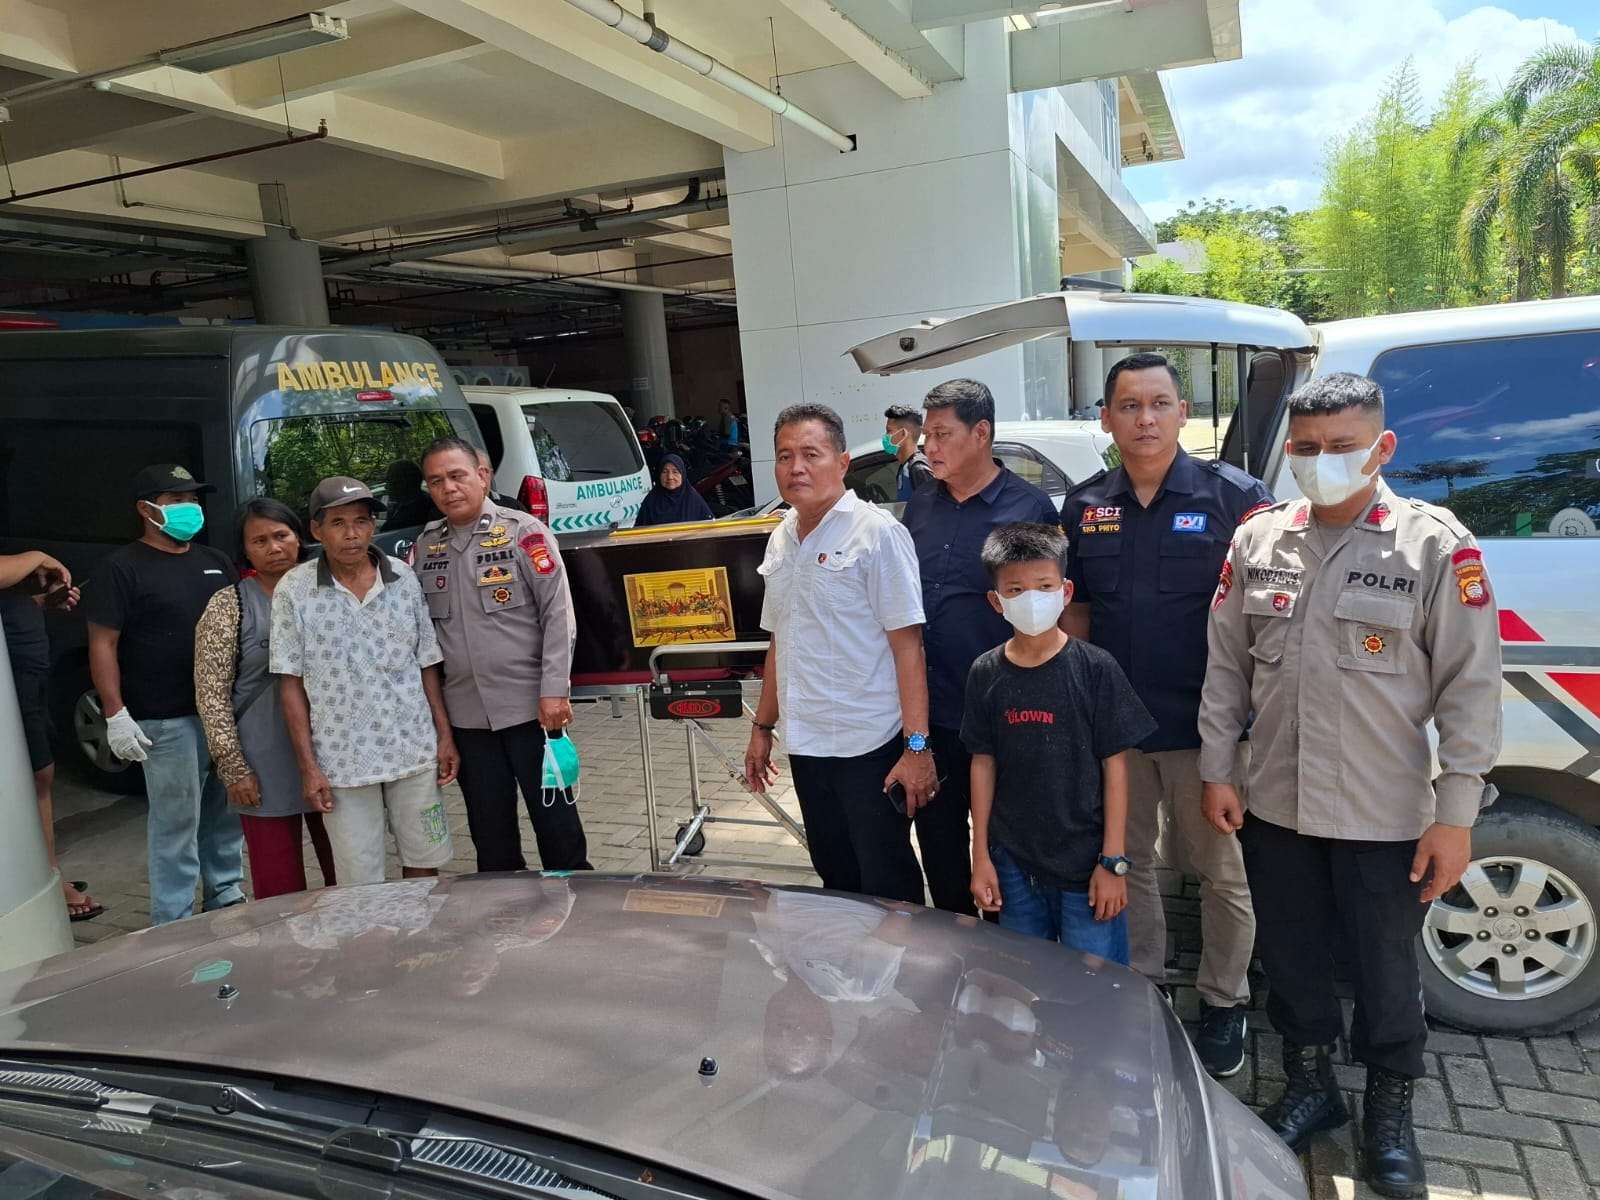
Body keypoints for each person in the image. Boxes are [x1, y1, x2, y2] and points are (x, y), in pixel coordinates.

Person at [1199, 372, 1503, 1197]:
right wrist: (1218, 768)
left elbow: (1471, 688)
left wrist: (1457, 815)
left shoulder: (1435, 545)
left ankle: (1390, 1114)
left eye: (1342, 447)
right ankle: (1312, 1087)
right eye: (1306, 449)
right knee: (1292, 960)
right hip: (1275, 804)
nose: (1322, 461)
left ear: (1382, 447)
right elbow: (1226, 667)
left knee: (1384, 974)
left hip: (1385, 813)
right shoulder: (1259, 540)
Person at [1058, 352, 1271, 1078]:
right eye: (1128, 405)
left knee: (1222, 872)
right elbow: (1078, 610)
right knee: (1127, 861)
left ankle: (1224, 1001)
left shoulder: (1237, 499)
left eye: (1158, 404)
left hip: (1206, 732)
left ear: (1183, 413)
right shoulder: (1085, 505)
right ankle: (1141, 985)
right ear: (1108, 418)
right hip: (1117, 729)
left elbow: (1262, 622)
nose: (1144, 419)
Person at [743, 403, 936, 905]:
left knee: (886, 881)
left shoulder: (877, 535)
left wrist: (917, 750)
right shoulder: (781, 538)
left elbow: (908, 647)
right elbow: (780, 641)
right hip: (807, 745)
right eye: (785, 456)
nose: (796, 467)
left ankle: (903, 978)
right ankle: (847, 978)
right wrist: (762, 729)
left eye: (811, 453)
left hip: (867, 746)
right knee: (834, 875)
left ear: (843, 462)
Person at [902, 379, 1059, 914]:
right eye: (926, 435)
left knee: (1005, 853)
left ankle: (1008, 963)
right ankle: (951, 962)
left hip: (1005, 714)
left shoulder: (1029, 507)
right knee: (942, 848)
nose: (930, 447)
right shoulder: (920, 506)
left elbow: (1049, 618)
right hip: (933, 713)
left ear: (982, 432)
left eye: (942, 434)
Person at [963, 523, 1155, 959]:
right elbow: (982, 763)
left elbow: (1116, 768)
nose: (1031, 598)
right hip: (1013, 863)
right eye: (1015, 589)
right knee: (1026, 976)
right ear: (996, 601)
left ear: (1065, 591)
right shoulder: (985, 673)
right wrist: (982, 857)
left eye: (1044, 586)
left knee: (1094, 981)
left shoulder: (1096, 669)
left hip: (1087, 867)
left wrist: (1113, 861)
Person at [415, 437, 591, 873]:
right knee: (489, 831)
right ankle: (506, 921)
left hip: (532, 709)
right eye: (436, 481)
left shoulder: (523, 533)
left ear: (483, 475)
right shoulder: (425, 549)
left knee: (556, 823)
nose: (448, 488)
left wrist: (554, 691)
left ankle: (577, 914)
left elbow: (558, 615)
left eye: (457, 475)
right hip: (467, 717)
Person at [271, 477, 458, 886]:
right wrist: (308, 766)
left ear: (374, 527)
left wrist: (444, 736)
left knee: (424, 862)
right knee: (359, 879)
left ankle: (422, 943)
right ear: (316, 530)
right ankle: (372, 949)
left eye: (361, 521)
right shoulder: (294, 590)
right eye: (338, 523)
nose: (352, 534)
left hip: (413, 750)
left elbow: (427, 663)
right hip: (341, 760)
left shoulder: (403, 578)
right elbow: (290, 683)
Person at [85, 464, 244, 926]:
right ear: (145, 508)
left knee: (226, 814)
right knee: (176, 825)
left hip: (222, 715)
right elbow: (103, 644)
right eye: (176, 501)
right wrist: (114, 713)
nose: (189, 508)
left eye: (193, 499)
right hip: (165, 720)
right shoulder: (121, 568)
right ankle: (171, 923)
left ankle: (226, 896)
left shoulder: (215, 560)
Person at [194, 499, 337, 900]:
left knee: (348, 871)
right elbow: (212, 695)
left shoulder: (330, 592)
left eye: (281, 535)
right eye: (259, 540)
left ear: (300, 536)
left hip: (333, 753)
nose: (274, 547)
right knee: (279, 886)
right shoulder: (229, 606)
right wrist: (233, 768)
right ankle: (289, 961)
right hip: (262, 760)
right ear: (245, 550)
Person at [0, 549, 98, 921]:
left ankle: (44, 873)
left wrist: (40, 603)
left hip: (27, 672)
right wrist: (37, 557)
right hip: (12, 679)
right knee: (33, 776)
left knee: (38, 776)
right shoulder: (27, 560)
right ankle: (46, 883)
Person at [635, 452, 715, 527]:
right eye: (665, 472)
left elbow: (709, 529)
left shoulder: (693, 500)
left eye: (675, 472)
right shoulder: (651, 501)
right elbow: (638, 532)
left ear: (682, 474)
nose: (670, 477)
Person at [882, 404, 934, 501]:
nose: (885, 436)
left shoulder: (918, 469)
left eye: (888, 431)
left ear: (903, 434)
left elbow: (933, 510)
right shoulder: (905, 467)